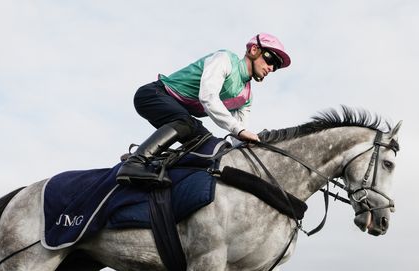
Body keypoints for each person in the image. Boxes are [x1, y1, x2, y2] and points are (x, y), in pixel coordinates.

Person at [116, 33, 292, 187]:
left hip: (181, 115)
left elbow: (239, 137)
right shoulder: (225, 59)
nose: (271, 68)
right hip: (153, 95)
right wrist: (240, 131)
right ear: (254, 50)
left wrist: (255, 148)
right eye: (270, 59)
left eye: (276, 67)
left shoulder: (246, 97)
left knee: (209, 146)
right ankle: (135, 162)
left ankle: (155, 163)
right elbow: (208, 97)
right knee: (185, 122)